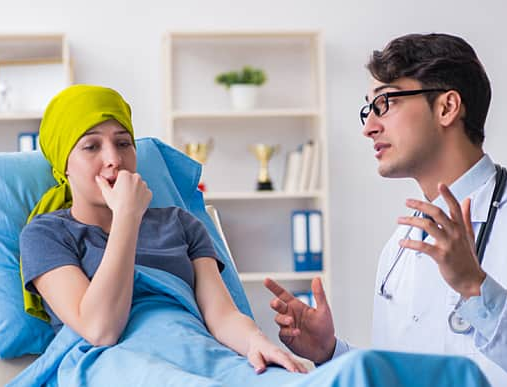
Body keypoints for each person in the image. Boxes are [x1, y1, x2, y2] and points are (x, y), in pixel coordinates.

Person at [264, 33, 507, 387]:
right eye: (367, 110)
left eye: (385, 103)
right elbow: (408, 374)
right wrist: (331, 352)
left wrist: (475, 288)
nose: (369, 128)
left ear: (447, 107)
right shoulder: (400, 244)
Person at [19, 85, 306, 378]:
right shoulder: (45, 234)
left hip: (199, 354)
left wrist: (256, 340)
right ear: (64, 164)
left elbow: (221, 315)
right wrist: (126, 218)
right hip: (113, 364)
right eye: (91, 146)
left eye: (123, 143)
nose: (114, 159)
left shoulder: (180, 223)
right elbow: (100, 330)